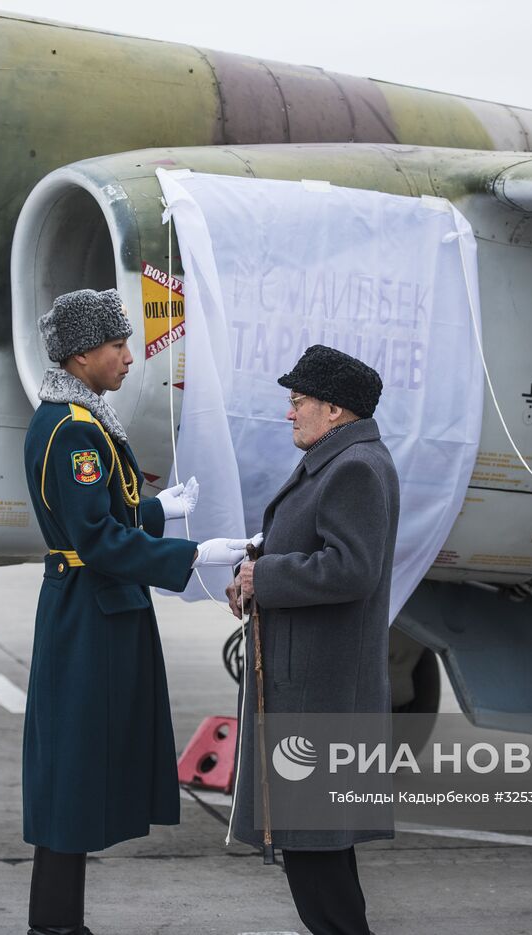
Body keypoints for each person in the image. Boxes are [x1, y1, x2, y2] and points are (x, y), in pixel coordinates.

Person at [22, 288, 250, 935]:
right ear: (81, 353)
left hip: (95, 608)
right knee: (71, 775)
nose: (129, 356)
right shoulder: (74, 432)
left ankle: (60, 921)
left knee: (79, 771)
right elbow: (95, 540)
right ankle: (55, 926)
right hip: (90, 614)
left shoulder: (79, 418)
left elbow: (100, 518)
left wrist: (156, 510)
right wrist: (190, 552)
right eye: (118, 345)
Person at [225, 344, 400, 935]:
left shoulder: (354, 468)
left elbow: (353, 568)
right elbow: (312, 546)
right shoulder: (337, 459)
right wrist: (255, 571)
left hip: (321, 694)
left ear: (334, 409)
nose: (289, 412)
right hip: (312, 684)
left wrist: (267, 576)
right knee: (314, 852)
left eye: (298, 401)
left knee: (318, 855)